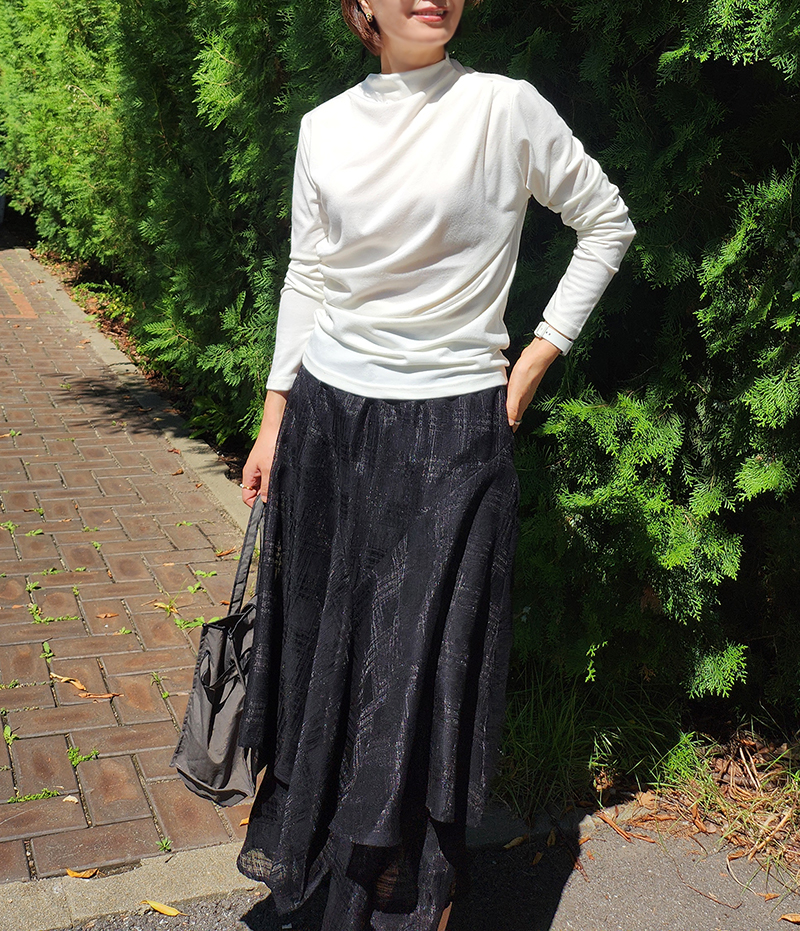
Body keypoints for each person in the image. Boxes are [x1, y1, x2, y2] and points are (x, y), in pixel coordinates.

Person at [236, 2, 635, 929]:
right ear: (361, 7)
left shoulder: (504, 107)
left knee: (422, 675)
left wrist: (532, 362)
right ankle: (329, 873)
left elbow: (606, 222)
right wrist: (273, 418)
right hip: (330, 424)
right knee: (330, 660)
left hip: (453, 431)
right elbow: (308, 276)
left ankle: (409, 899)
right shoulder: (324, 127)